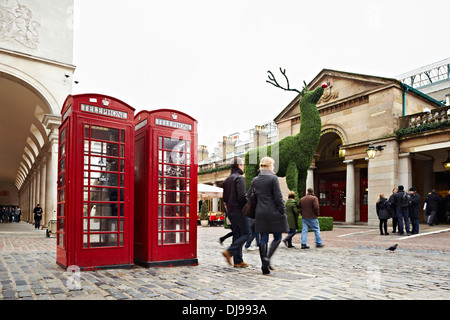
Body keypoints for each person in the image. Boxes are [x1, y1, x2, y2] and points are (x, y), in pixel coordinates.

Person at [248, 157, 288, 275]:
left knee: (263, 238)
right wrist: (282, 210)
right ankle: (267, 258)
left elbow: (248, 195)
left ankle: (264, 265)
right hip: (274, 212)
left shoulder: (255, 179)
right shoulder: (273, 178)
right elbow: (278, 197)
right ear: (270, 165)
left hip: (260, 213)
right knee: (277, 237)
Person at [222, 158, 249, 268]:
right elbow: (242, 197)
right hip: (239, 211)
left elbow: (224, 198)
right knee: (247, 233)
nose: (243, 167)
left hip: (230, 211)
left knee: (237, 235)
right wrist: (248, 206)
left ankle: (238, 261)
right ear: (239, 165)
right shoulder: (239, 178)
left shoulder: (227, 180)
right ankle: (229, 252)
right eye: (242, 165)